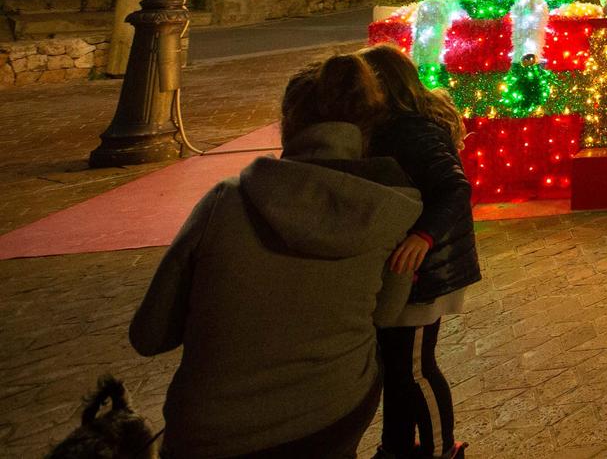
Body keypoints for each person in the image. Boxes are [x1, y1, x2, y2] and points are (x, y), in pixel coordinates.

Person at [129, 53, 419, 458]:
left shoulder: (224, 203)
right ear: (369, 124)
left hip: (213, 433)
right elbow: (386, 316)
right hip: (333, 413)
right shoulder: (390, 211)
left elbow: (150, 334)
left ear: (288, 122)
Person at [360, 44, 480, 459]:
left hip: (425, 271)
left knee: (414, 367)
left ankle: (442, 449)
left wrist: (423, 237)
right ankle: (396, 446)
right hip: (408, 269)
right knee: (396, 367)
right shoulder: (392, 127)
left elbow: (455, 188)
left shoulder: (414, 130)